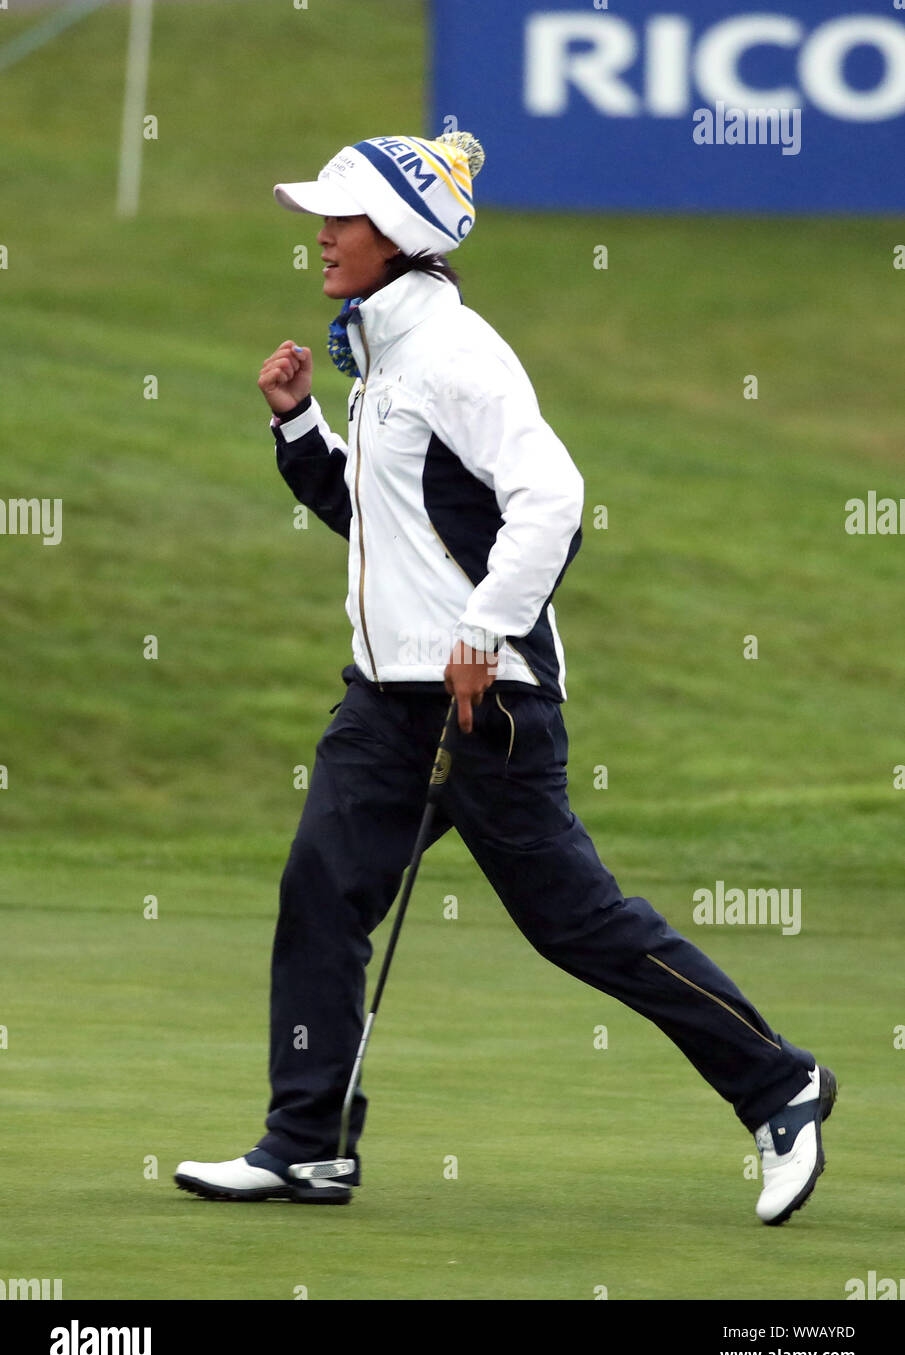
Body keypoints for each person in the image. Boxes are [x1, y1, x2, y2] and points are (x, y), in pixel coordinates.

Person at [175, 131, 835, 1224]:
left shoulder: (454, 352)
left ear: (400, 238)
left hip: (485, 699)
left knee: (573, 921)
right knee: (322, 887)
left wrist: (483, 631)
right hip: (387, 696)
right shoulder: (383, 354)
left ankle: (780, 1083)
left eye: (340, 220)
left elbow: (553, 498)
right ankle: (304, 1146)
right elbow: (379, 530)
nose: (322, 238)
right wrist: (297, 428)